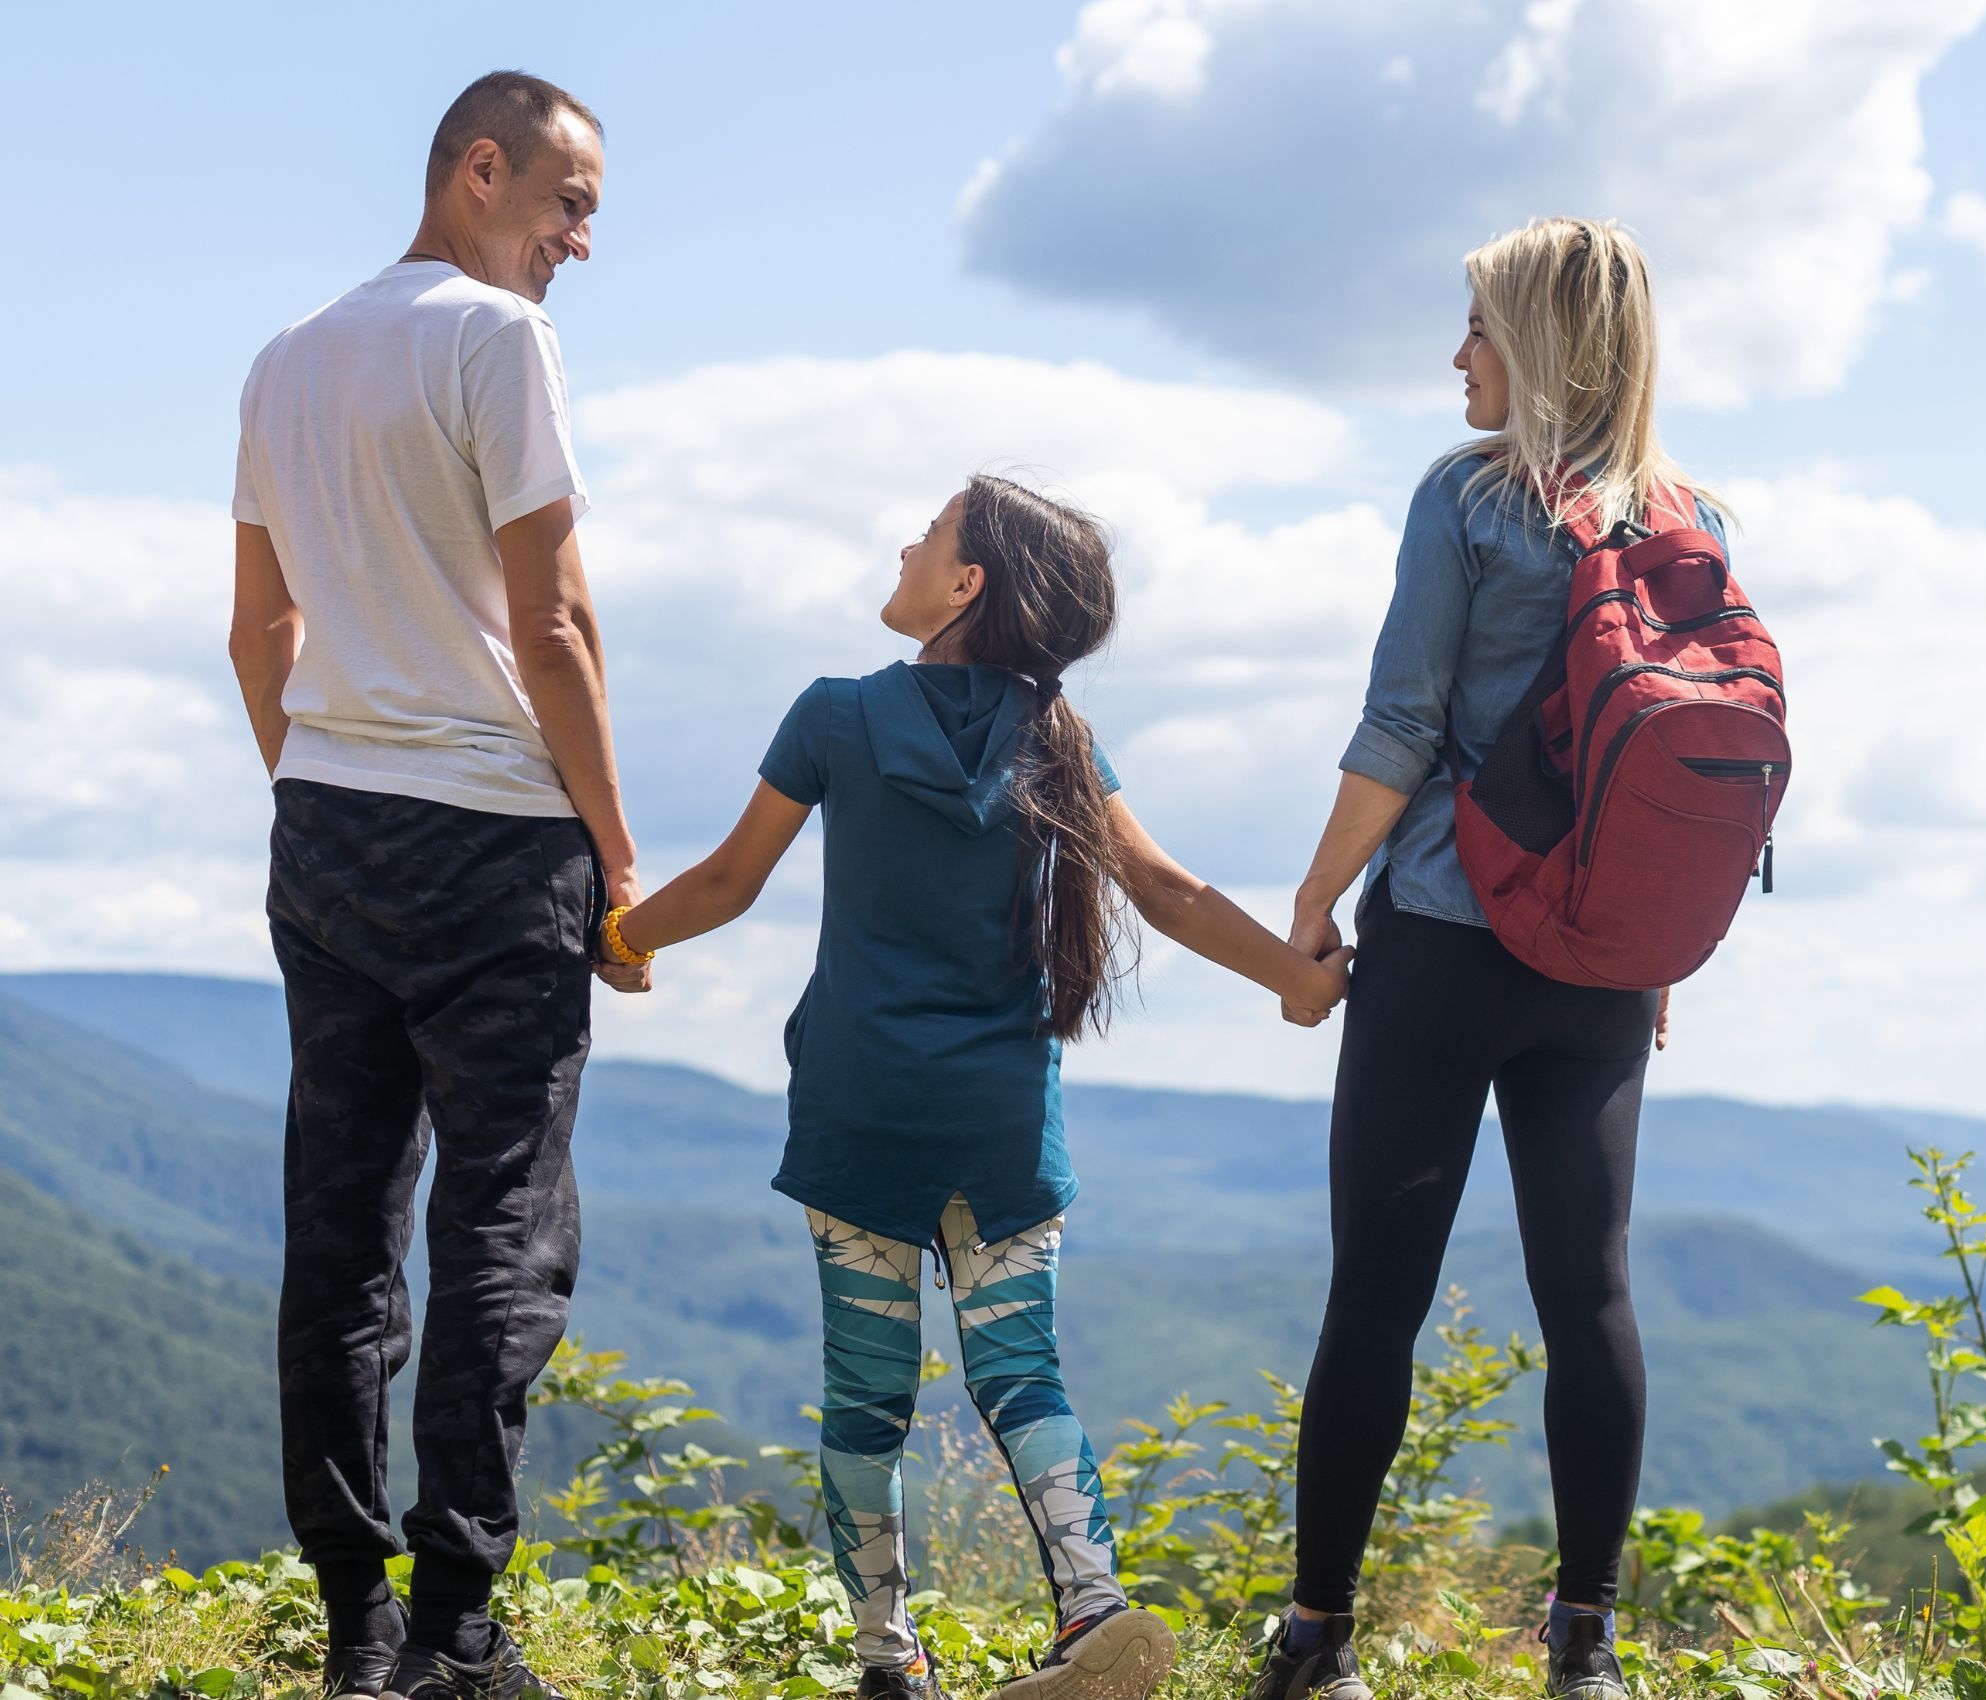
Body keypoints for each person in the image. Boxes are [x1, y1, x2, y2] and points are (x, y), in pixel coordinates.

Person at [603, 474, 1355, 1700]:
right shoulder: (1057, 736)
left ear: (967, 586)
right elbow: (1163, 887)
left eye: (929, 533)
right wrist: (1294, 979)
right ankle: (1094, 1606)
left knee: (866, 1388)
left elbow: (733, 880)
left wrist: (623, 939)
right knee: (1021, 1369)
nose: (904, 542)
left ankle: (886, 1660)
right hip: (1003, 1123)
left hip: (860, 1110)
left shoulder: (836, 713)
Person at [1244, 219, 1725, 1700]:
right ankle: (1585, 1642)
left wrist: (1314, 906)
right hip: (1602, 968)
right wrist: (1646, 956)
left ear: (1536, 345)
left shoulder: (1467, 498)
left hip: (1448, 941)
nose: (1457, 356)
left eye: (1476, 327)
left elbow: (1402, 727)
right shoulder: (1686, 512)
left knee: (1375, 1295)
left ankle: (1318, 1632)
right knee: (1590, 1295)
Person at [227, 70, 646, 1700]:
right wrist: (617, 863)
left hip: (326, 826)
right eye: (571, 201)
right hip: (493, 840)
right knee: (500, 1228)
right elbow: (554, 626)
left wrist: (319, 783)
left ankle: (357, 1628)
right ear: (482, 170)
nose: (582, 241)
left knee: (338, 1237)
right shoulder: (495, 340)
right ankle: (458, 1635)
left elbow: (261, 631)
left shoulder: (286, 359)